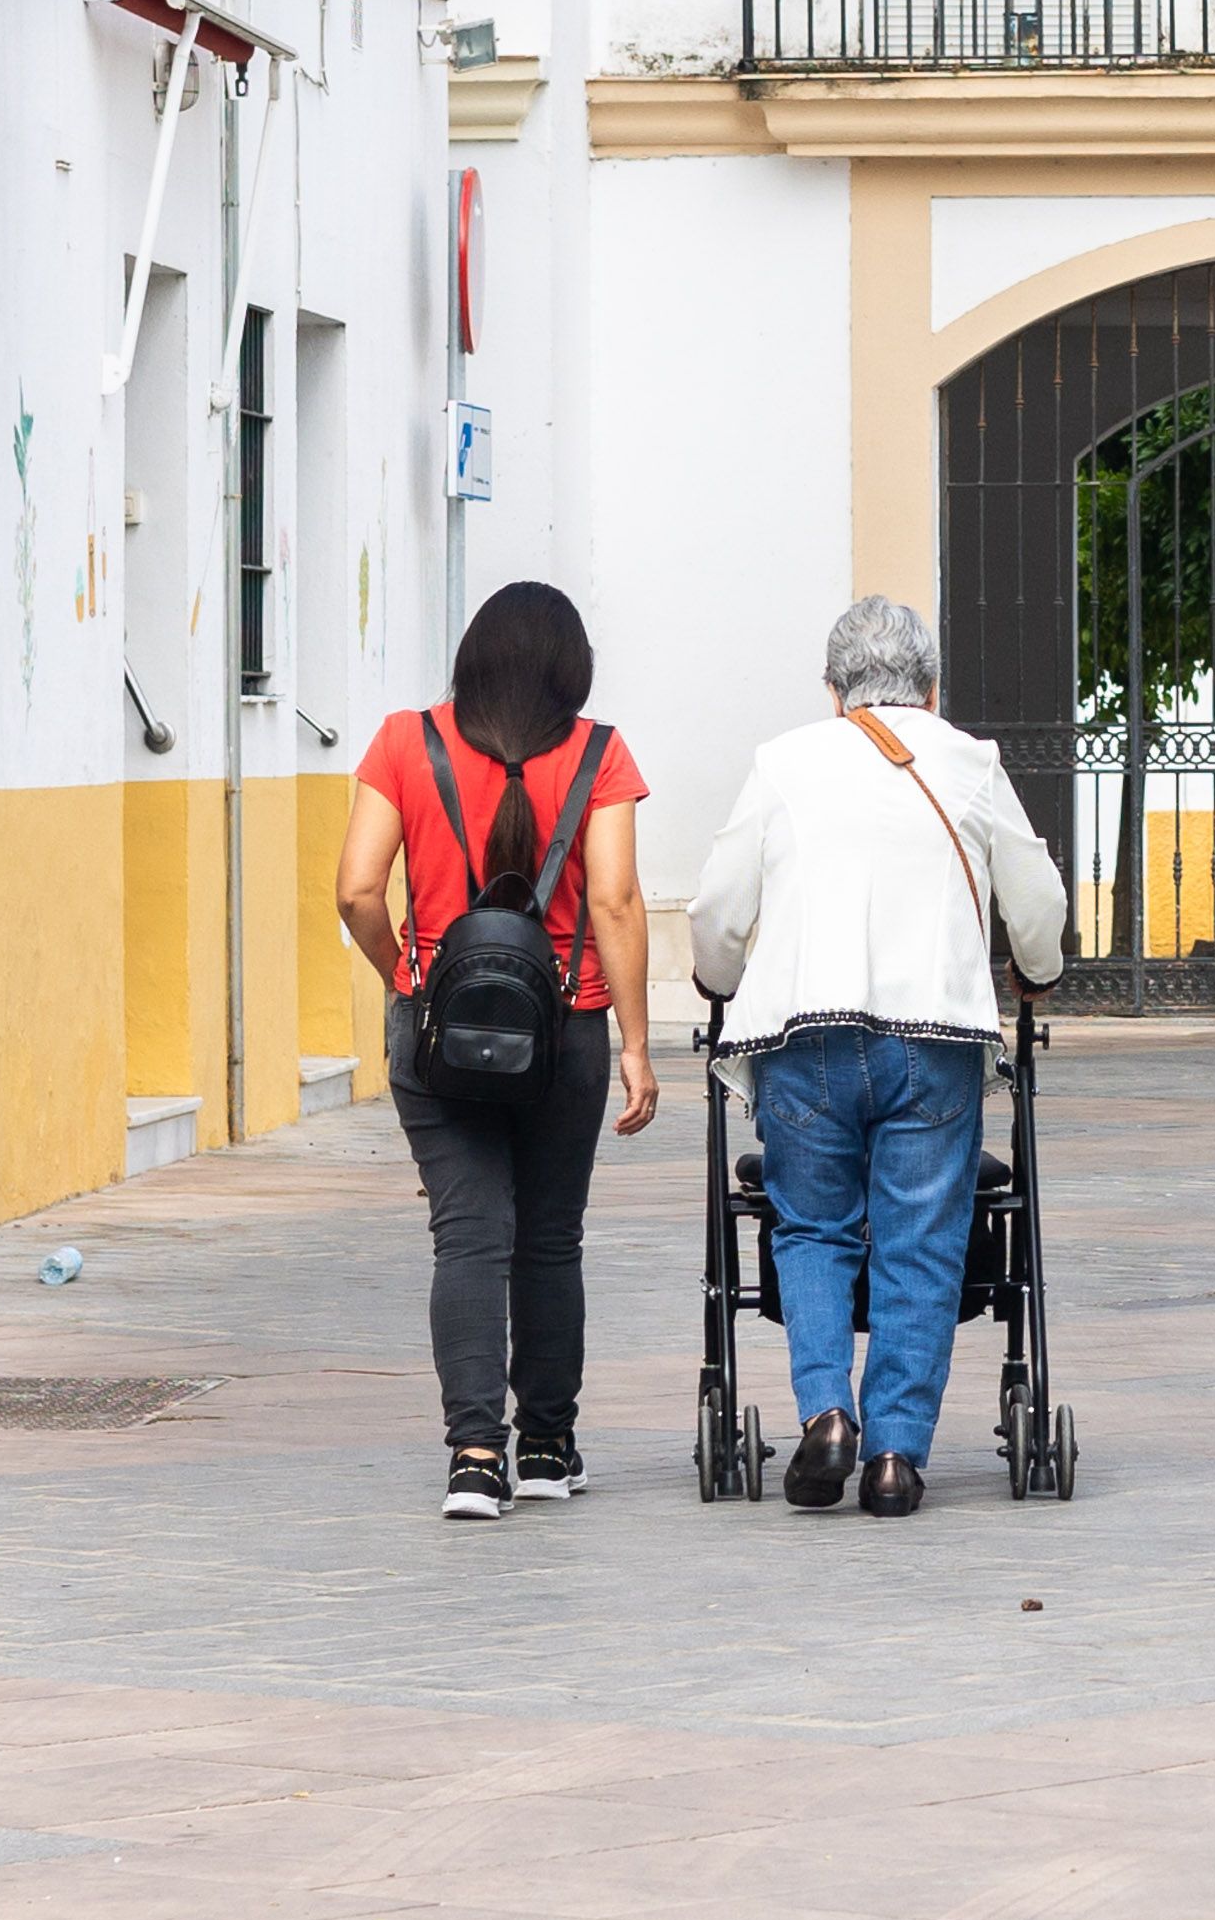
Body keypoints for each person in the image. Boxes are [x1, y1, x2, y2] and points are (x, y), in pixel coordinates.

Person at [688, 595, 1069, 1517]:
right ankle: (897, 1454)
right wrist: (1037, 970)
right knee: (921, 1245)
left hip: (805, 1038)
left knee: (810, 1227)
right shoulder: (970, 762)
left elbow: (715, 915)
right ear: (931, 690)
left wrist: (723, 974)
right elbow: (1039, 904)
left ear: (834, 692)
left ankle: (826, 1410)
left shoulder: (783, 762)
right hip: (933, 1039)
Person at [335, 581, 655, 1521]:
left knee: (466, 1234)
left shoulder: (404, 743)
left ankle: (476, 1457)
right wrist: (637, 1043)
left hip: (438, 1028)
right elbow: (614, 902)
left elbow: (357, 888)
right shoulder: (600, 753)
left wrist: (407, 974)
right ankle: (549, 1446)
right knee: (550, 1238)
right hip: (567, 1025)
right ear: (573, 668)